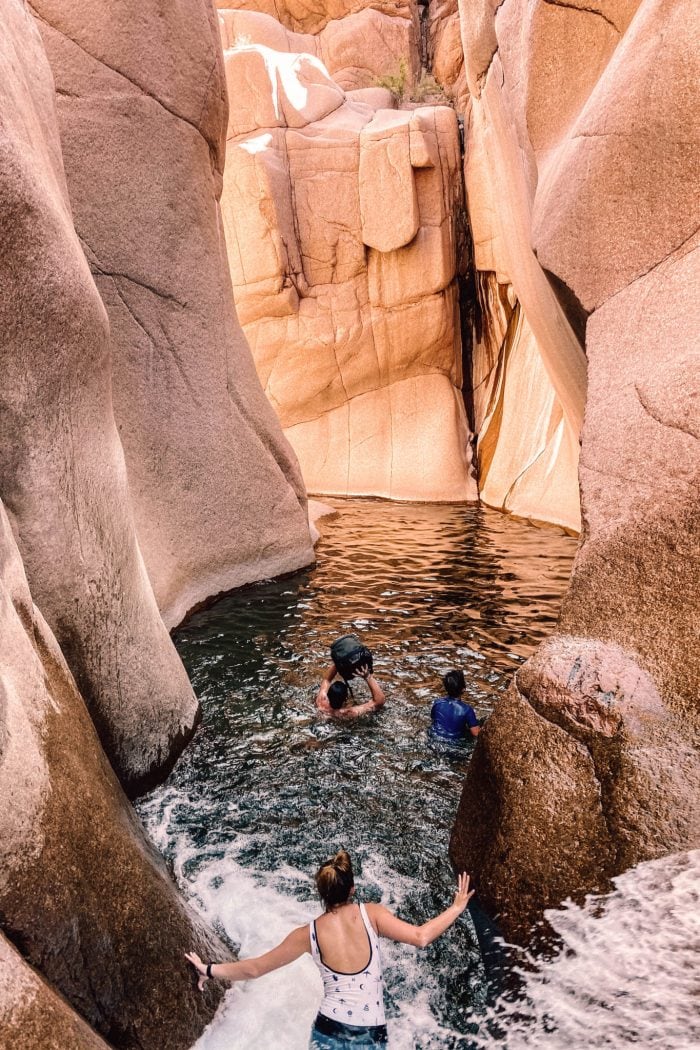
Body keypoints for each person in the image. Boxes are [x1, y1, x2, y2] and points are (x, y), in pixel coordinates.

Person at [186, 849, 474, 1048]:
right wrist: (457, 907)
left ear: (321, 894)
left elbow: (255, 968)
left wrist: (209, 969)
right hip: (370, 1035)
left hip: (329, 1029)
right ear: (352, 889)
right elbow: (422, 936)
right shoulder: (372, 915)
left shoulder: (307, 934)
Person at [316, 664, 385, 720]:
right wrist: (367, 676)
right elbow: (379, 702)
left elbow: (327, 679)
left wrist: (338, 663)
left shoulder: (321, 701)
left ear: (328, 695)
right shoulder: (348, 713)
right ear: (345, 699)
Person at [430, 670, 481, 742]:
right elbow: (476, 734)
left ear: (446, 688)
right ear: (463, 689)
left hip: (435, 741)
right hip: (454, 746)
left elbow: (433, 720)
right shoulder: (467, 710)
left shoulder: (437, 703)